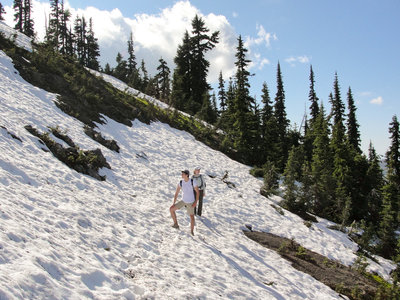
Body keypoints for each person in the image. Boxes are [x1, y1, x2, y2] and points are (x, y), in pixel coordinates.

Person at [170, 170, 199, 235]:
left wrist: (195, 202)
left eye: (183, 174)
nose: (181, 175)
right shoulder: (181, 182)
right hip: (183, 201)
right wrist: (173, 203)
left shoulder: (192, 182)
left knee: (191, 217)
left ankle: (192, 231)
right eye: (182, 174)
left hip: (191, 202)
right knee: (171, 209)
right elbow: (176, 193)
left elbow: (198, 193)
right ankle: (176, 224)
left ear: (187, 175)